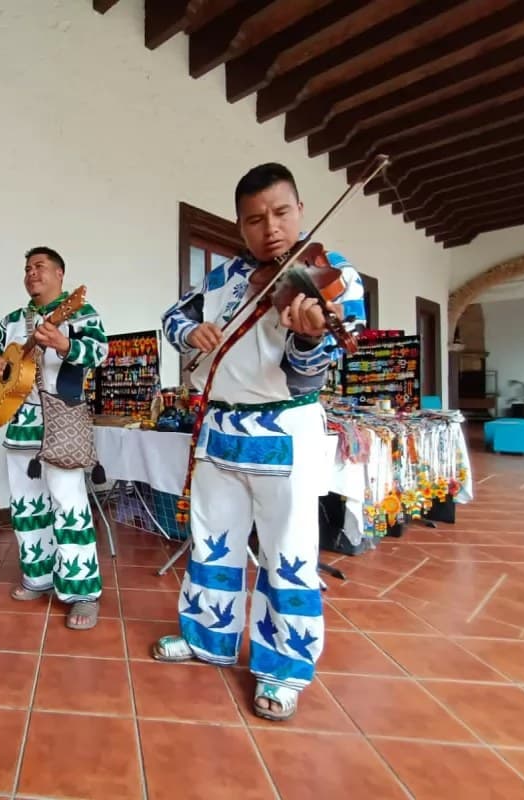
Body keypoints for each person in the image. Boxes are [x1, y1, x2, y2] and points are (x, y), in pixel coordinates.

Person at [153, 163, 366, 721]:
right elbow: (173, 315)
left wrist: (308, 337)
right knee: (212, 543)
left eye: (280, 213)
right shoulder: (223, 277)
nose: (269, 228)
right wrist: (188, 331)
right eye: (254, 219)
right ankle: (208, 640)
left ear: (300, 208)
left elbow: (315, 369)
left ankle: (284, 670)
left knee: (287, 555)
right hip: (221, 429)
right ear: (240, 226)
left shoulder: (334, 275)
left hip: (283, 430)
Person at [0, 247, 109, 630]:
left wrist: (64, 344)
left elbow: (99, 351)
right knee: (26, 504)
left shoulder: (81, 312)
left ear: (60, 274)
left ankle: (82, 592)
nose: (32, 273)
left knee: (69, 505)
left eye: (40, 267)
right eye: (27, 268)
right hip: (19, 420)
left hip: (61, 420)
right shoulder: (14, 319)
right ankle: (38, 576)